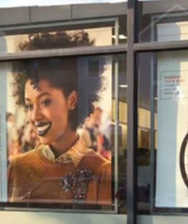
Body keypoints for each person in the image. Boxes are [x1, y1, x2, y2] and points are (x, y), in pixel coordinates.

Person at [7, 31, 112, 204]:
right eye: (29, 105)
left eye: (45, 102)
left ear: (72, 100)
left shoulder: (101, 171)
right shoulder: (18, 167)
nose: (34, 116)